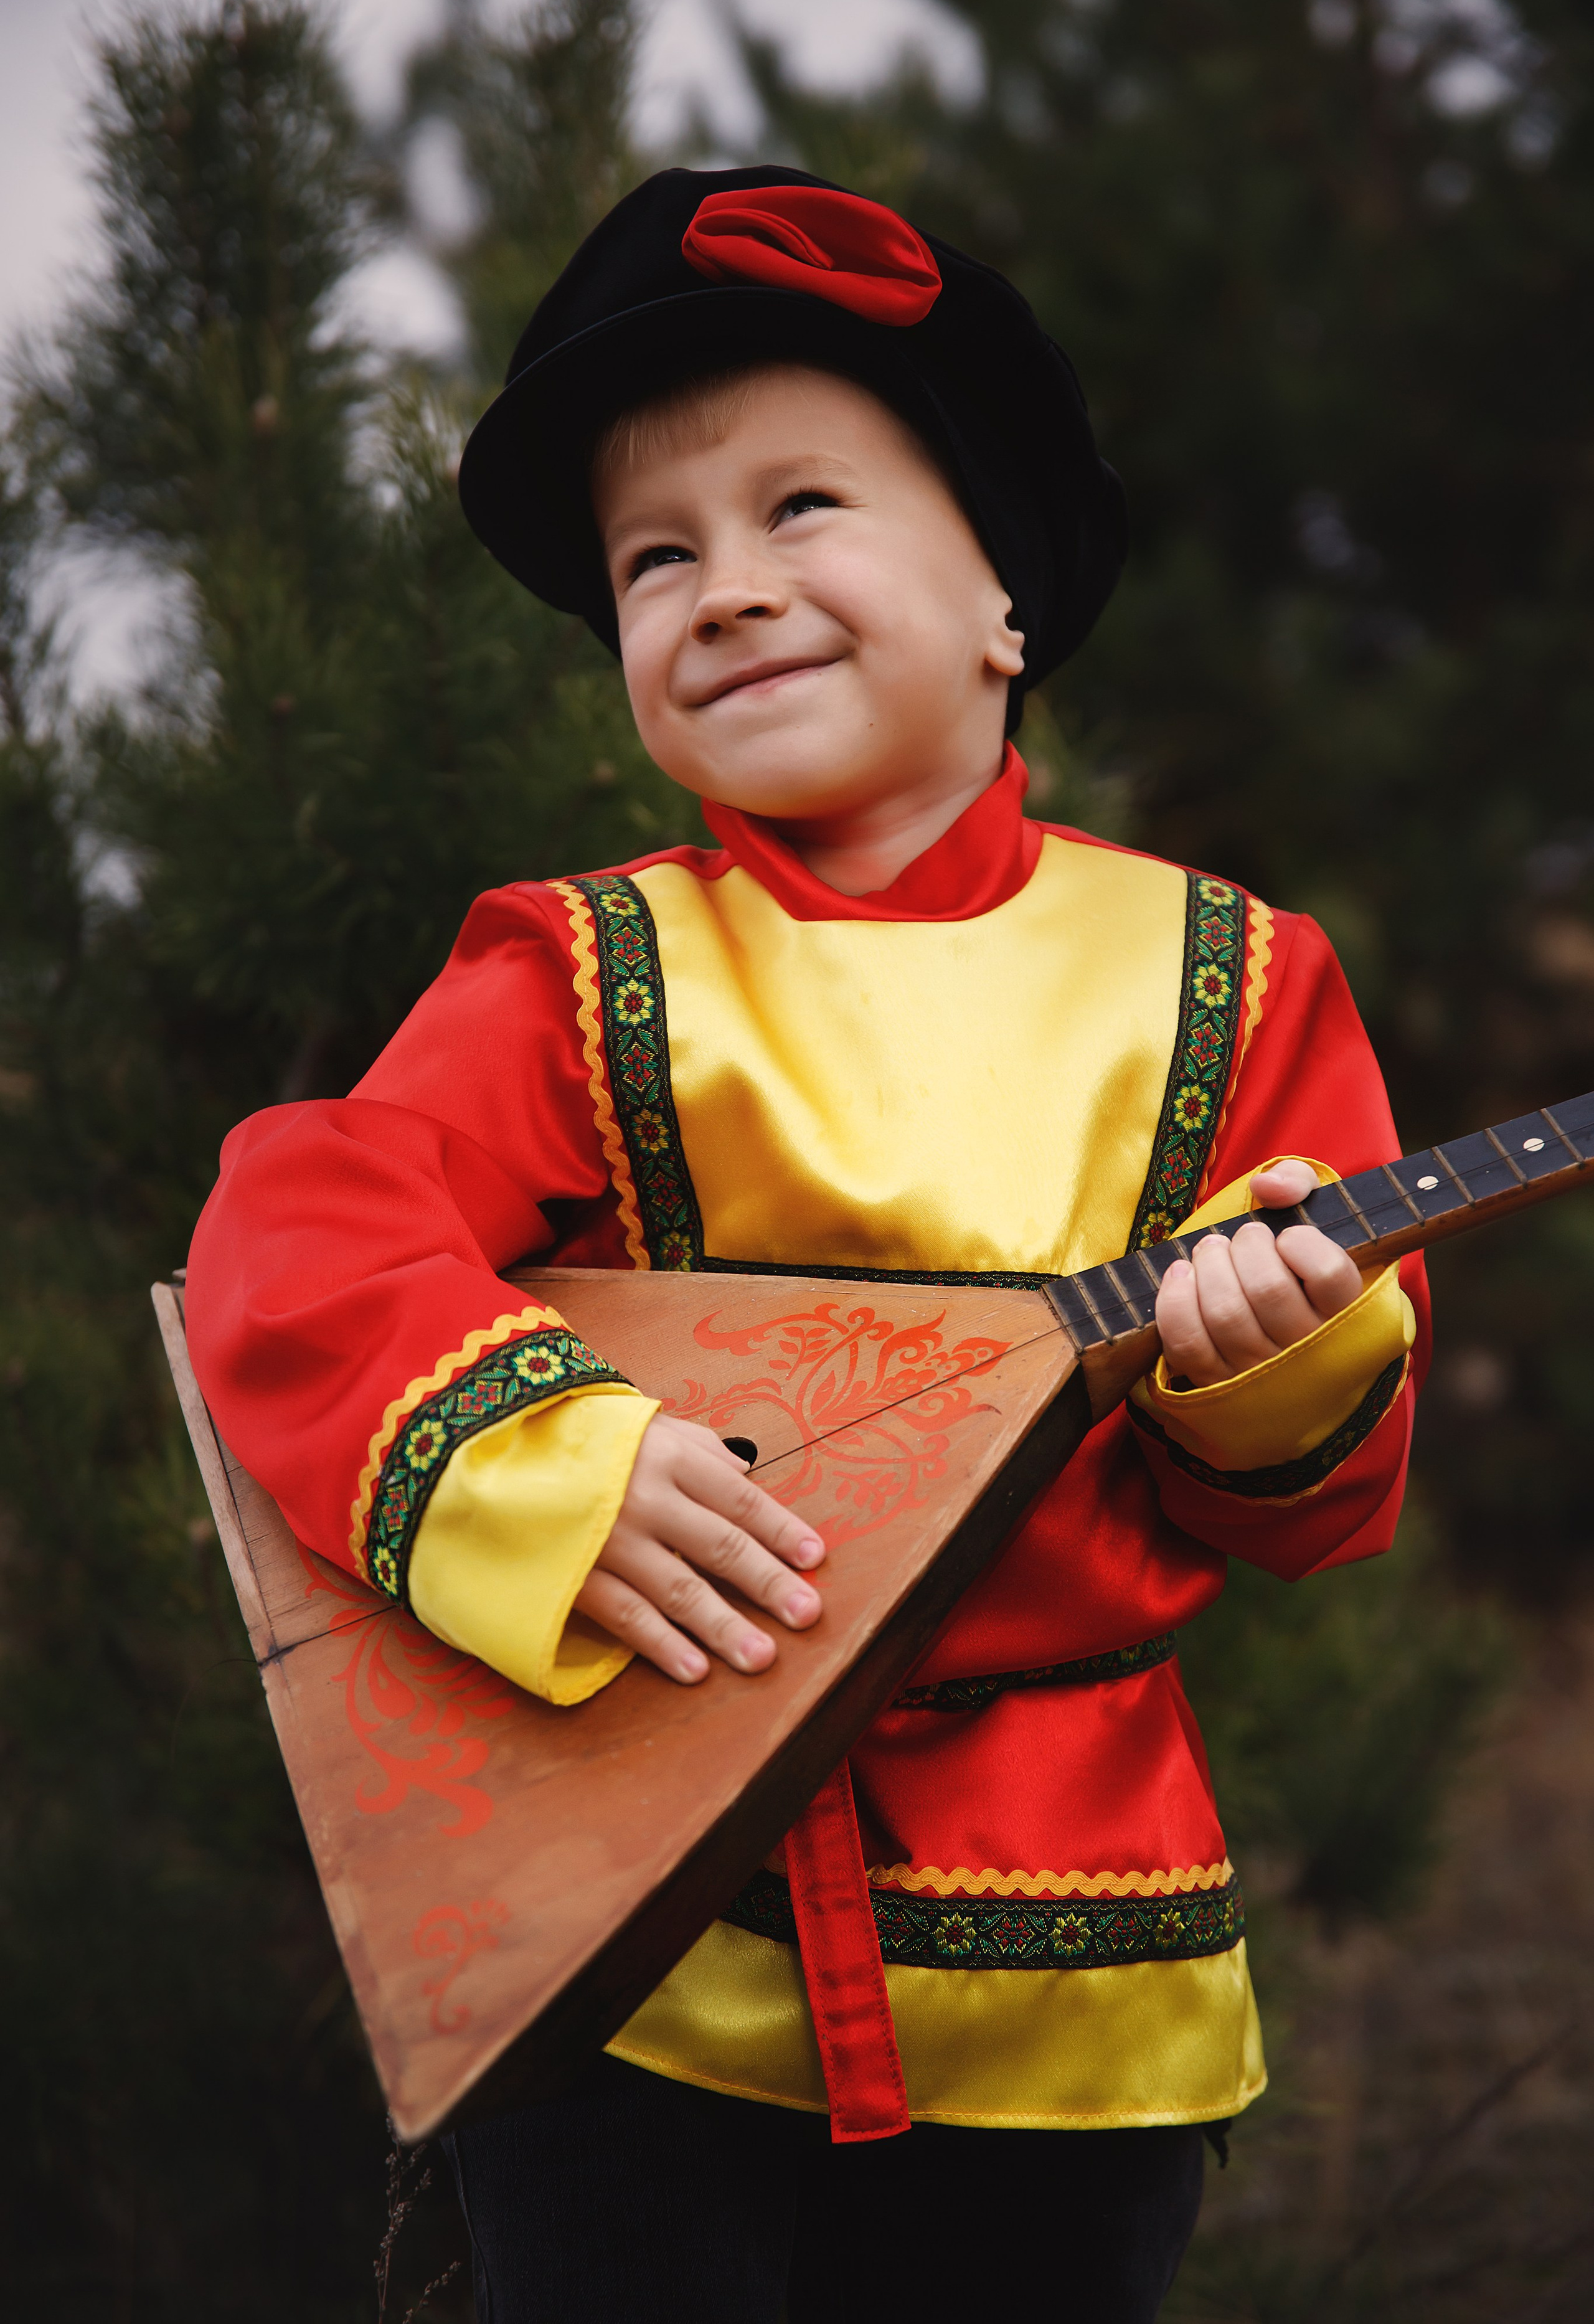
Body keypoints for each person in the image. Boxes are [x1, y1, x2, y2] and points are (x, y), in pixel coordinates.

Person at [184, 167, 1428, 2320]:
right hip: (641, 1943)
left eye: (803, 509)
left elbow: (1318, 1512)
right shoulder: (586, 971)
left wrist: (1275, 1358)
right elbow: (300, 1223)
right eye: (654, 557)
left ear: (1004, 601)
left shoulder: (1230, 975)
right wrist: (533, 1463)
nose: (724, 587)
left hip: (1079, 1976)